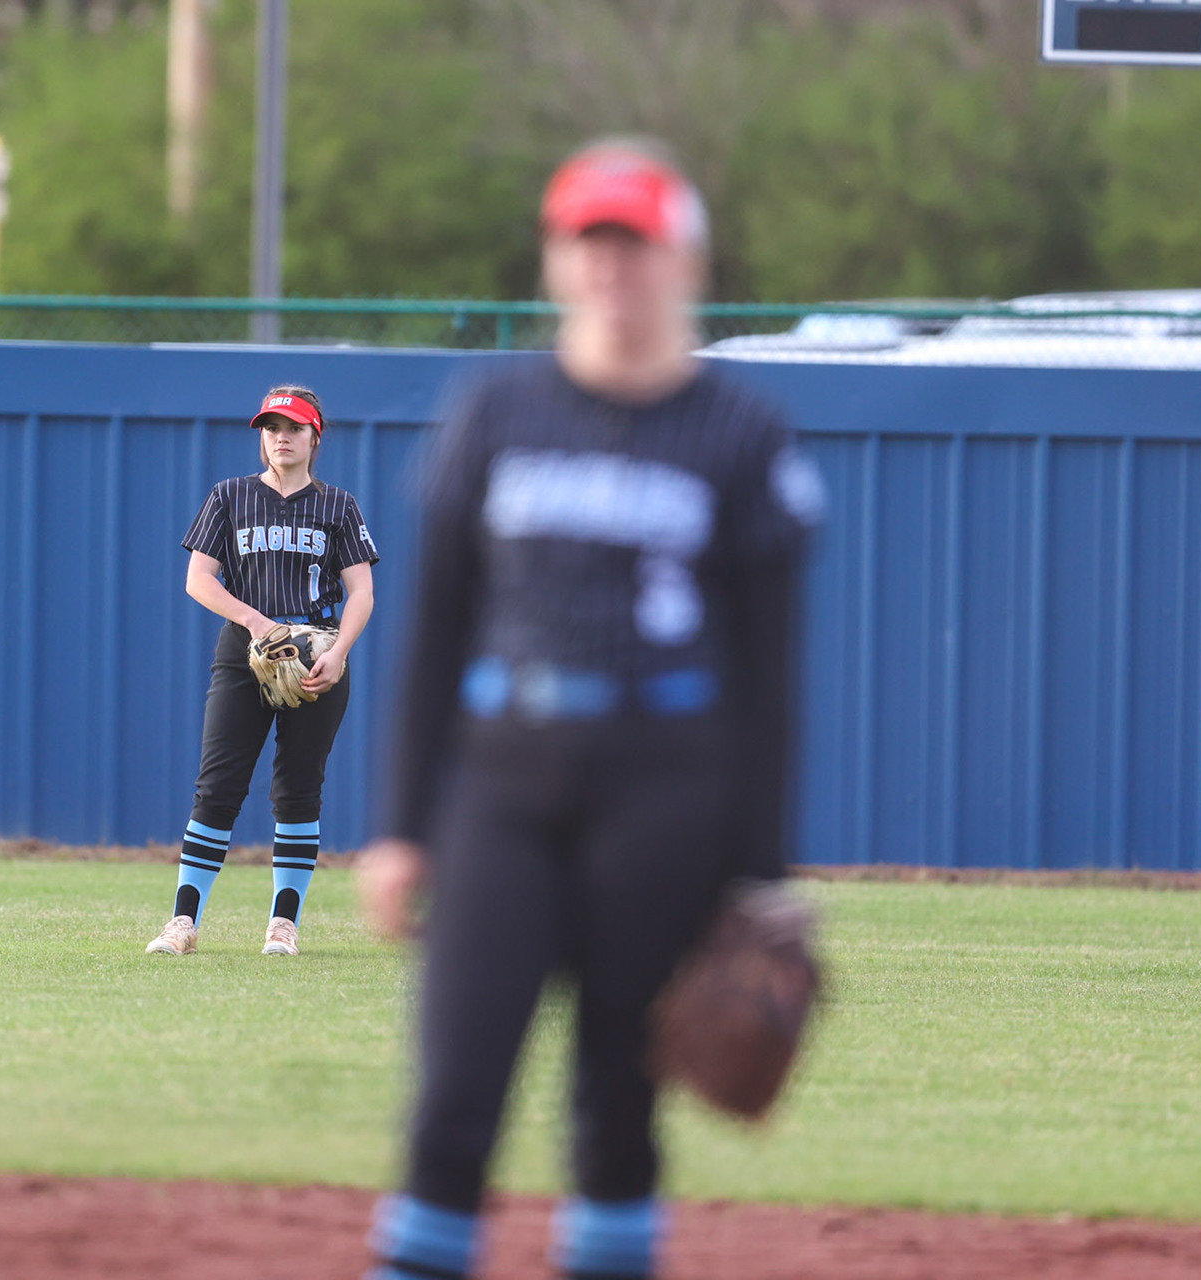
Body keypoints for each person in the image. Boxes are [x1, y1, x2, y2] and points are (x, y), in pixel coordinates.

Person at [358, 139, 823, 1280]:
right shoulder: (497, 414)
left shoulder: (741, 435)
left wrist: (762, 865)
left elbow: (772, 677)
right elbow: (436, 635)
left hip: (667, 784)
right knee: (457, 1089)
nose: (615, 268)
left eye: (638, 244)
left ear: (686, 262)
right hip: (505, 777)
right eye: (591, 242)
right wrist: (404, 823)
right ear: (559, 262)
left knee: (618, 1098)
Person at [146, 385, 378, 958]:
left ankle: (283, 924)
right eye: (271, 427)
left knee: (299, 789)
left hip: (316, 651)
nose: (281, 436)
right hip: (246, 651)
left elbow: (362, 591)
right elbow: (198, 580)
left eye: (293, 427)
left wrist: (340, 651)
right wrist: (255, 621)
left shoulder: (338, 506)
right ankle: (183, 922)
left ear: (314, 436)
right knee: (218, 784)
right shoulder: (230, 496)